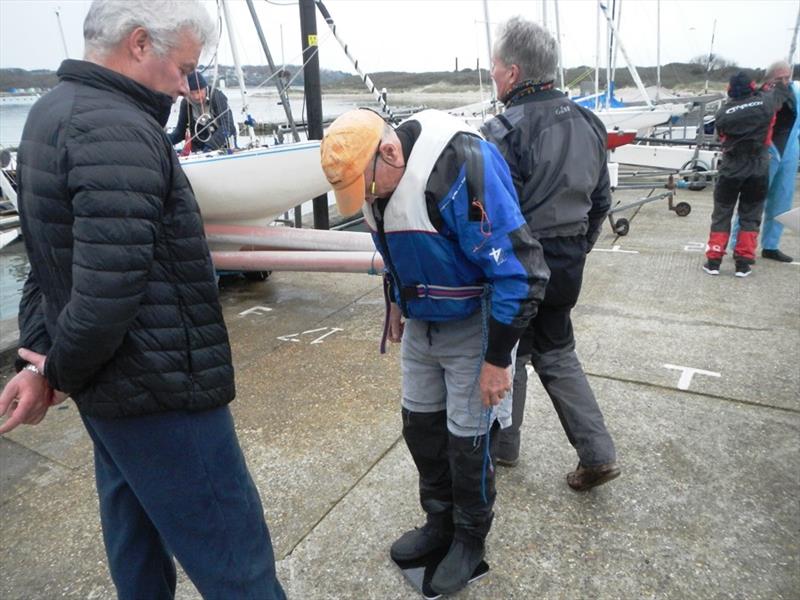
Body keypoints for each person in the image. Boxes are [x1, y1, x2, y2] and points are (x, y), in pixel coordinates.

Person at [0, 2, 285, 598]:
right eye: (183, 67)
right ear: (138, 45)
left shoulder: (48, 113)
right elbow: (105, 296)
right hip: (163, 390)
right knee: (237, 560)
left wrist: (42, 359)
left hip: (112, 396)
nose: (187, 85)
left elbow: (48, 264)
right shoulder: (119, 131)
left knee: (136, 542)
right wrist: (56, 373)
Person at [320, 108, 549, 594]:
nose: (367, 199)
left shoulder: (458, 165)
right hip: (423, 323)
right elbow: (397, 246)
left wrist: (496, 359)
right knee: (420, 427)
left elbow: (521, 272)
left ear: (389, 152)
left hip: (472, 325)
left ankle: (470, 537)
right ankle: (439, 521)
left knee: (468, 441)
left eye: (366, 187)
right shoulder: (378, 180)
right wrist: (397, 303)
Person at [481, 17, 620, 491]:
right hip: (566, 262)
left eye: (496, 66)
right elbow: (602, 200)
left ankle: (503, 444)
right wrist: (578, 247)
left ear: (514, 73)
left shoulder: (502, 130)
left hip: (521, 265)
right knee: (557, 352)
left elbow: (492, 216)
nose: (493, 73)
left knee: (508, 352)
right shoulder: (589, 122)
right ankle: (597, 452)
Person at [703, 72, 776, 277]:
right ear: (751, 87)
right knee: (751, 214)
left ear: (730, 90)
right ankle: (743, 263)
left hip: (732, 167)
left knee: (722, 213)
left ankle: (714, 260)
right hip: (758, 166)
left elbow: (722, 135)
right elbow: (771, 99)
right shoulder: (766, 103)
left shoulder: (723, 112)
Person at [760, 60, 799, 263]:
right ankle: (739, 244)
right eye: (779, 78)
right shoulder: (763, 94)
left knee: (783, 199)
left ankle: (771, 245)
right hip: (767, 150)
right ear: (771, 78)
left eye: (787, 77)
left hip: (790, 149)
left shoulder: (797, 92)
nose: (784, 81)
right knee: (754, 198)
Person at [168, 70, 237, 153]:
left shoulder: (217, 96)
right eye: (192, 93)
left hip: (223, 148)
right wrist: (164, 141)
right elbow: (180, 132)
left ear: (205, 88)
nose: (196, 97)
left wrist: (210, 147)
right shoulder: (186, 103)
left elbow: (228, 126)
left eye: (198, 91)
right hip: (198, 151)